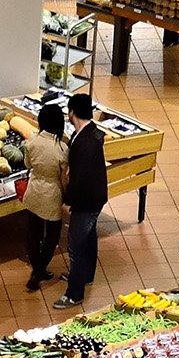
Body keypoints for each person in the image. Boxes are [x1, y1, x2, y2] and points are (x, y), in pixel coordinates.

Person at [54, 92, 107, 309]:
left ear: (72, 112)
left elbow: (80, 178)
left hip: (86, 201)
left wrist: (69, 201)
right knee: (89, 238)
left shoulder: (84, 143)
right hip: (95, 197)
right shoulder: (90, 134)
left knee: (76, 244)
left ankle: (74, 294)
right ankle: (86, 275)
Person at [21, 102, 68, 293]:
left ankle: (37, 269)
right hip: (52, 192)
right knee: (52, 235)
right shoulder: (62, 149)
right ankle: (39, 270)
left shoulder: (31, 142)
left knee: (33, 232)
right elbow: (63, 177)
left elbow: (28, 164)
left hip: (34, 190)